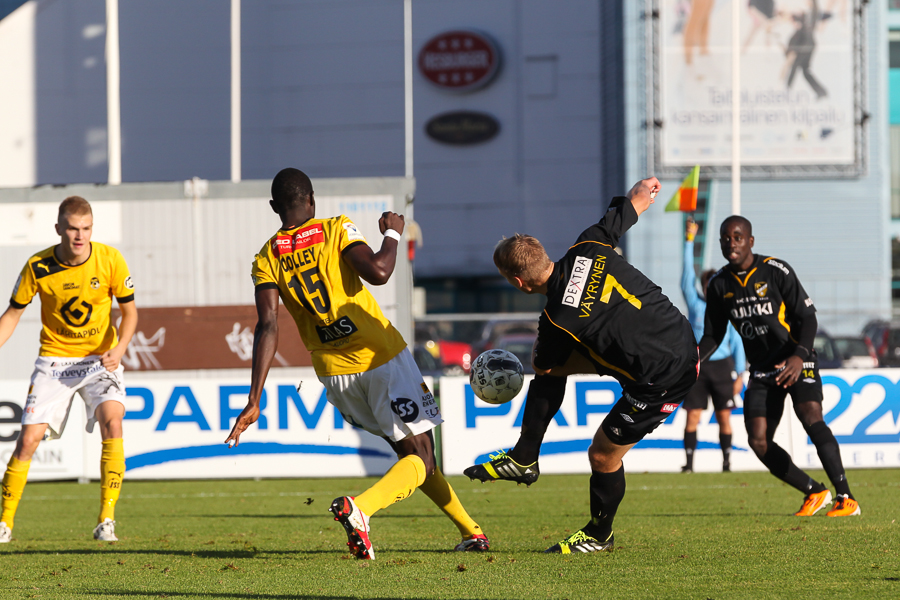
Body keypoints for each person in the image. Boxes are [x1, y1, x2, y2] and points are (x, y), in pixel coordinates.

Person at [225, 168, 488, 560]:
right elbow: (380, 272)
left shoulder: (266, 257)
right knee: (422, 456)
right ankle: (360, 509)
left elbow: (267, 326)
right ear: (311, 199)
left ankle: (472, 532)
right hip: (380, 358)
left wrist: (254, 398)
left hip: (336, 377)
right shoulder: (335, 228)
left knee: (412, 454)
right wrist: (393, 232)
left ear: (274, 208)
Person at [466, 177, 699, 554]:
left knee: (603, 454)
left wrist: (539, 363)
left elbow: (544, 368)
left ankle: (597, 534)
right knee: (554, 367)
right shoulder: (588, 245)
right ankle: (525, 458)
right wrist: (645, 190)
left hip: (664, 377)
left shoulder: (556, 321)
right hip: (680, 337)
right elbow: (636, 202)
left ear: (520, 282)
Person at [698, 216, 859, 517]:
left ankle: (846, 498)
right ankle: (814, 491)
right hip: (761, 369)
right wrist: (694, 359)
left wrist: (799, 355)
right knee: (758, 441)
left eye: (737, 237)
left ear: (750, 241)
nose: (731, 243)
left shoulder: (776, 270)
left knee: (810, 416)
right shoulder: (719, 284)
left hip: (797, 358)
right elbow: (712, 335)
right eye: (725, 238)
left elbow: (808, 318)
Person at [0, 196, 138, 543]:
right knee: (28, 441)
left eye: (86, 229)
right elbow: (12, 314)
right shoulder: (38, 267)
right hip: (55, 361)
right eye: (73, 229)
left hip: (98, 360)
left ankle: (106, 519)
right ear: (59, 228)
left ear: (92, 229)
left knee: (113, 421)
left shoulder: (110, 259)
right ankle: (4, 522)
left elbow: (130, 312)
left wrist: (119, 348)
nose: (80, 236)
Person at [681, 219, 746, 473]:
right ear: (704, 287)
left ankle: (727, 462)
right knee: (693, 415)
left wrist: (740, 372)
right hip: (699, 365)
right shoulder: (697, 305)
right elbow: (687, 276)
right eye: (708, 285)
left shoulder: (728, 307)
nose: (712, 288)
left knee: (724, 417)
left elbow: (738, 339)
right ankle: (688, 464)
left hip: (722, 367)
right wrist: (689, 241)